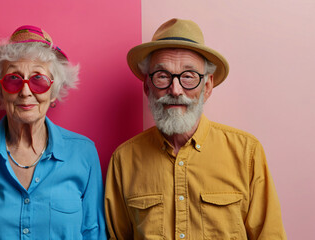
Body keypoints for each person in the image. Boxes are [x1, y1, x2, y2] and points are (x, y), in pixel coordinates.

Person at [104, 18, 286, 239]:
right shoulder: (123, 160)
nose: (176, 89)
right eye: (163, 76)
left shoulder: (247, 153)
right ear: (147, 86)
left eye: (188, 76)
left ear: (207, 86)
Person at [0, 25, 106, 240]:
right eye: (13, 80)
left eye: (38, 80)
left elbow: (94, 234)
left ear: (53, 94)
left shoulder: (83, 152)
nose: (26, 91)